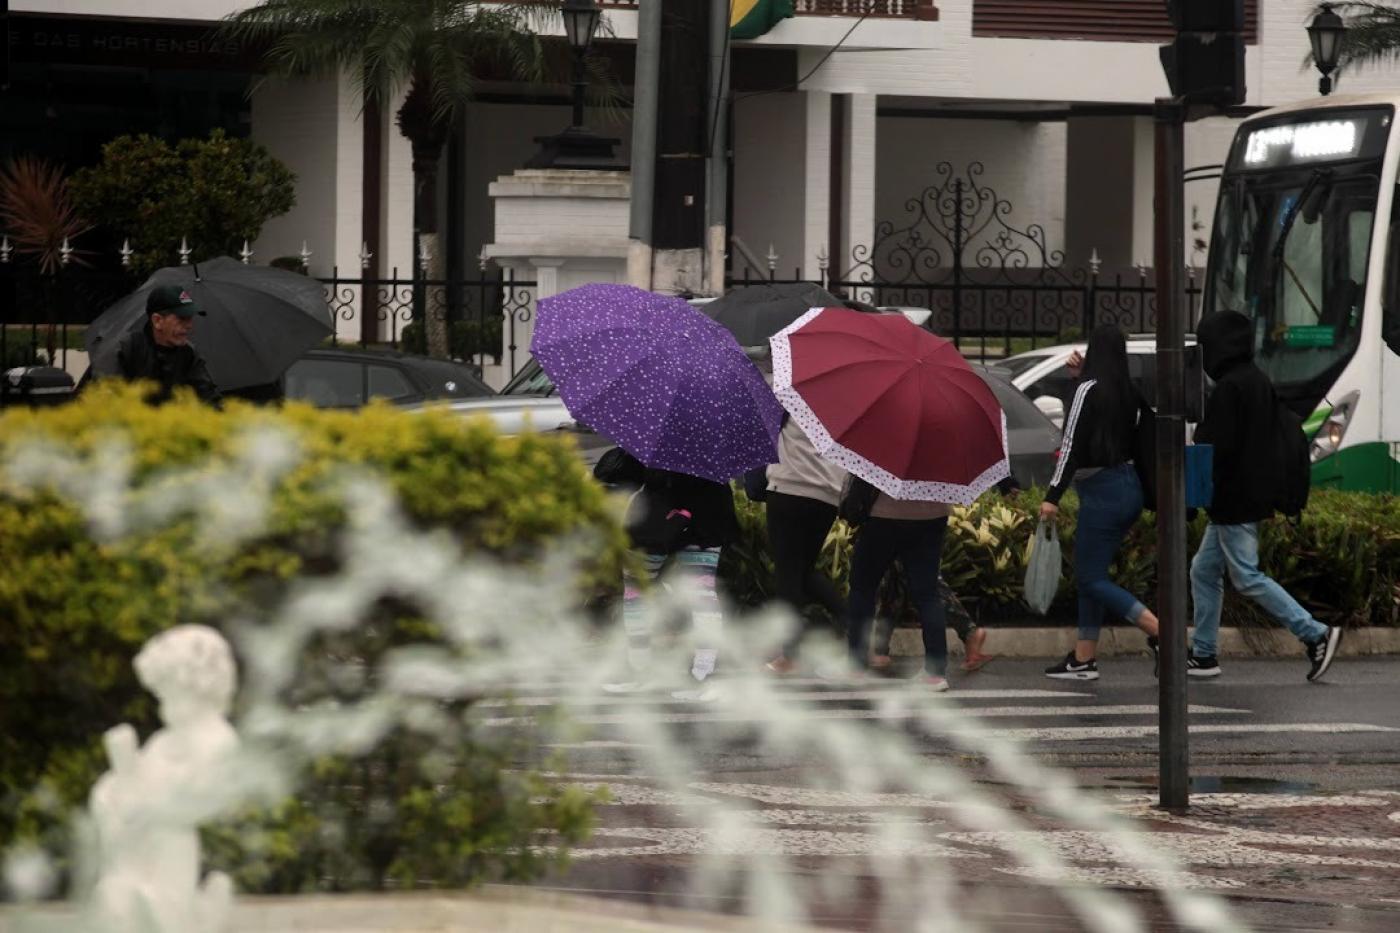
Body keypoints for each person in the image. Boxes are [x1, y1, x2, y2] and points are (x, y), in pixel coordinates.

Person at [1187, 310, 1342, 682]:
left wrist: (1193, 494)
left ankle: (1315, 633)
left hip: (1233, 500)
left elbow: (1214, 447)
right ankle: (1204, 653)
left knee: (1246, 576)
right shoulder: (1255, 380)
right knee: (1203, 570)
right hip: (1247, 496)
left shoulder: (1229, 388)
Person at [1040, 325, 1159, 681]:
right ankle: (1083, 658)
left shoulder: (1088, 390)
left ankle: (1160, 631)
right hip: (1129, 486)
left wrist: (1052, 496)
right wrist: (1078, 380)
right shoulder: (1128, 391)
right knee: (1092, 574)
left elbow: (1071, 443)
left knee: (1090, 579)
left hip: (1101, 492)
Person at [594, 448, 739, 701]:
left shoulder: (654, 420)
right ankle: (694, 672)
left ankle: (696, 672)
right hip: (674, 515)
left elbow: (621, 471)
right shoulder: (714, 427)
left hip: (678, 516)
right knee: (651, 589)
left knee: (690, 593)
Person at [845, 481, 955, 691]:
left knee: (862, 587)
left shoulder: (883, 445)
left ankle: (856, 666)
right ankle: (935, 673)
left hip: (883, 514)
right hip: (932, 515)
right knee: (927, 594)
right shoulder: (946, 448)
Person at [762, 413, 849, 675]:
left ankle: (789, 655)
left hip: (789, 488)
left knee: (788, 574)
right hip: (826, 496)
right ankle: (854, 622)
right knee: (803, 571)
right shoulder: (846, 404)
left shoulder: (791, 393)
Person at [92, 285, 222, 406]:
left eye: (190, 318)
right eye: (182, 318)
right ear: (157, 321)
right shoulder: (124, 349)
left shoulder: (189, 353)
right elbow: (107, 402)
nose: (189, 326)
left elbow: (209, 398)